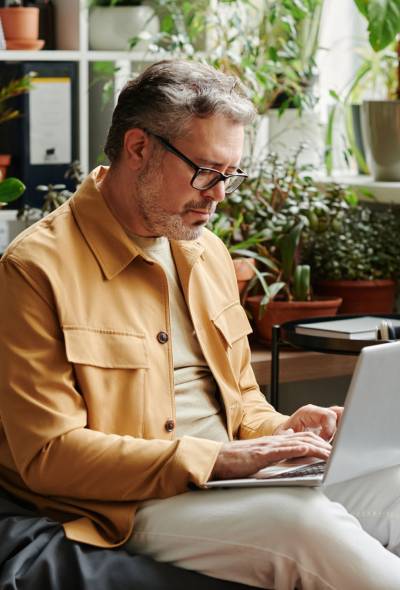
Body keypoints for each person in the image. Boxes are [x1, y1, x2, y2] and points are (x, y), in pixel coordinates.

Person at [0, 59, 400, 590]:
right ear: (138, 148)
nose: (219, 195)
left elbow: (240, 401)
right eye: (207, 171)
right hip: (133, 504)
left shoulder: (206, 253)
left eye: (231, 175)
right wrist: (220, 459)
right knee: (302, 526)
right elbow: (48, 456)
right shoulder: (34, 270)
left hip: (234, 484)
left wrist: (282, 432)